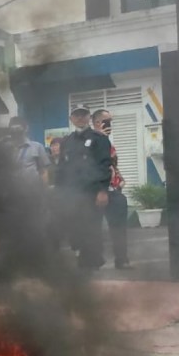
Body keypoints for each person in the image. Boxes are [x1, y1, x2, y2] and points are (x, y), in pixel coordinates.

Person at [56, 106, 112, 271]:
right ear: (71, 118)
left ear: (89, 117)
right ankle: (87, 258)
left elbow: (104, 165)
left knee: (92, 227)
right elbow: (61, 168)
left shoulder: (99, 138)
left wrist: (102, 190)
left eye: (83, 115)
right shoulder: (67, 141)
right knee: (74, 228)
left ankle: (91, 264)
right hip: (71, 193)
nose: (80, 118)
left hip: (91, 192)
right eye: (76, 115)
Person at [92, 109, 133, 270]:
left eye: (110, 121)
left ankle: (121, 259)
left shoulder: (108, 143)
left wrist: (120, 179)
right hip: (96, 192)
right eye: (106, 121)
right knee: (94, 228)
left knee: (119, 227)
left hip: (114, 190)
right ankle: (94, 260)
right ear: (96, 122)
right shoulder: (91, 141)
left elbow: (112, 165)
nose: (109, 124)